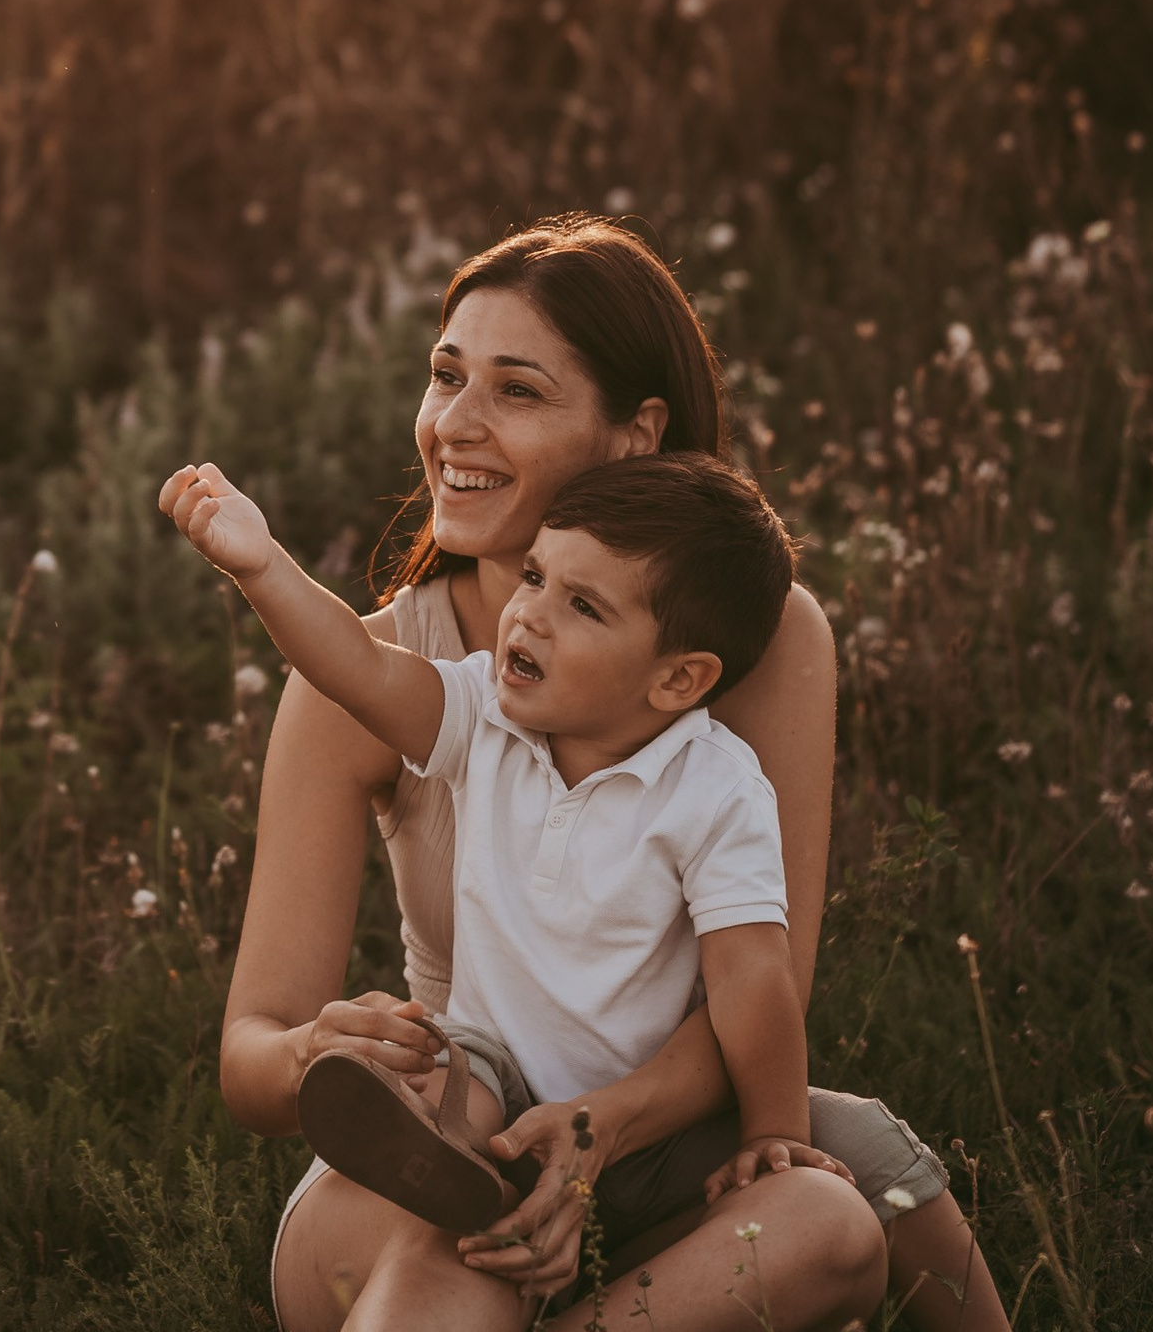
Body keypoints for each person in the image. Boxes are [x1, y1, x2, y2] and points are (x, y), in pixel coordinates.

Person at [218, 214, 1011, 1332]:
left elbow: (759, 983)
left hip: (659, 1140)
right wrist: (312, 1049)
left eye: (517, 390)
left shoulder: (763, 642)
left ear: (636, 435)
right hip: (451, 1137)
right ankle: (492, 1226)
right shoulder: (383, 678)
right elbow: (249, 1055)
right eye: (446, 375)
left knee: (867, 1188)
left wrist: (597, 1134)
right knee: (460, 1245)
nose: (455, 422)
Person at [166, 448, 844, 1250]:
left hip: (644, 1104)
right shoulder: (484, 713)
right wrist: (261, 565)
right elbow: (358, 671)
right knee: (435, 1071)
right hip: (490, 1068)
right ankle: (458, 1175)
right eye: (533, 577)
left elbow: (753, 977)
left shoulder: (716, 791)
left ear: (677, 680)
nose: (530, 615)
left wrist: (773, 1130)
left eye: (582, 606)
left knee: (897, 1179)